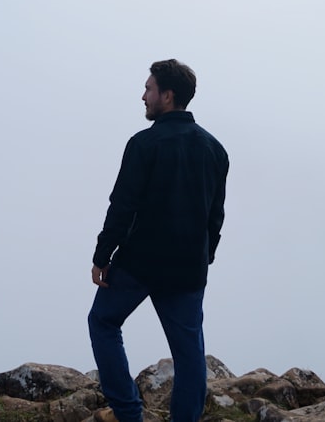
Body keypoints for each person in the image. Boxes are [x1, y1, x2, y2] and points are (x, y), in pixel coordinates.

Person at [88, 59, 229, 422]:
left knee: (102, 322)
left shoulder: (144, 144)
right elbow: (215, 216)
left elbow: (122, 206)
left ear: (167, 96)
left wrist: (103, 255)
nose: (143, 96)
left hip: (140, 264)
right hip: (187, 271)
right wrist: (204, 256)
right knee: (189, 357)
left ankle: (129, 413)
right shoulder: (215, 150)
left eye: (149, 89)